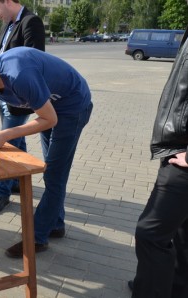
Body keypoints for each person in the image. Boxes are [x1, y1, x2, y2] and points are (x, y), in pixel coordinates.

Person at [0, 47, 93, 258]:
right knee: (51, 168)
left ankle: (37, 238)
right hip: (51, 107)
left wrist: (5, 134)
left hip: (72, 106)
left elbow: (50, 120)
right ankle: (56, 224)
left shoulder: (19, 76)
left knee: (54, 174)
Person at [129, 8, 188, 298]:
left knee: (150, 233)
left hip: (183, 155)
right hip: (178, 145)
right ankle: (171, 286)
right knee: (180, 231)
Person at [0, 0, 45, 215]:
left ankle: (1, 194)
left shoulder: (31, 22)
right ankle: (19, 181)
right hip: (3, 93)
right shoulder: (7, 24)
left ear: (8, 2)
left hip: (19, 95)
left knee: (5, 143)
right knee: (16, 141)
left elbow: (31, 59)